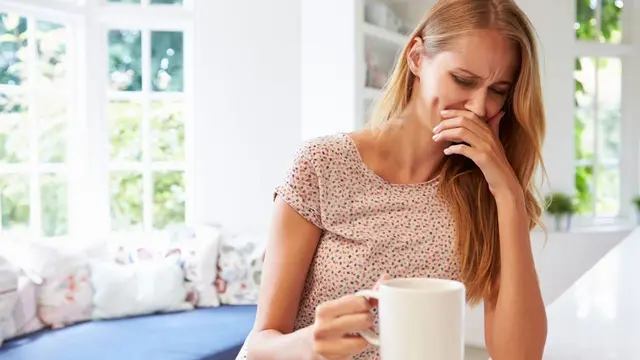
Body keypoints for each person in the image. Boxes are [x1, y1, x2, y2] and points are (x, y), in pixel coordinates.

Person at [239, 0, 548, 359]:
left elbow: (521, 356)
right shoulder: (322, 166)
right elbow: (258, 347)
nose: (479, 107)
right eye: (463, 80)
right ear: (417, 57)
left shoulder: (485, 194)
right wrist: (310, 344)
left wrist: (508, 193)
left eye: (497, 91)